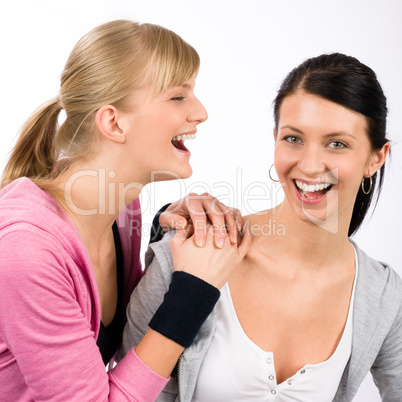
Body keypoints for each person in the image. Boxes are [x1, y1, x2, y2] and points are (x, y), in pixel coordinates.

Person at [121, 53, 402, 401]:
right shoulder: (191, 254)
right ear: (275, 140)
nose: (311, 165)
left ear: (376, 158)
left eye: (337, 144)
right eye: (294, 139)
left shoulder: (383, 298)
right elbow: (128, 394)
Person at [0, 19, 251, 401]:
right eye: (178, 97)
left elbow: (125, 346)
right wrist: (193, 292)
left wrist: (167, 231)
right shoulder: (27, 251)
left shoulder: (121, 211)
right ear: (114, 122)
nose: (200, 112)